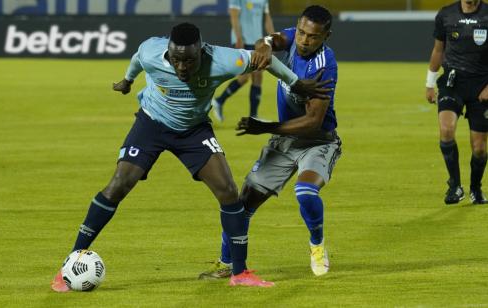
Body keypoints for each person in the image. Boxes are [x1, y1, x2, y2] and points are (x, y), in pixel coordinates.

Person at [50, 22, 331, 292]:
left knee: (228, 191)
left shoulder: (223, 59)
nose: (182, 67)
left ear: (202, 51)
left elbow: (263, 60)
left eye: (189, 61)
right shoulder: (151, 50)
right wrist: (127, 80)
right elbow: (138, 58)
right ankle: (69, 265)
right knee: (119, 184)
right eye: (176, 60)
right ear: (168, 52)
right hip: (151, 124)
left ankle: (240, 272)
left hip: (194, 131)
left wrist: (295, 83)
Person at [199, 5, 341, 279]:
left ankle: (317, 244)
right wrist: (263, 45)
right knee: (243, 204)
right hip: (284, 142)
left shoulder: (325, 65)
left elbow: (313, 121)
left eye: (312, 36)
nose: (303, 40)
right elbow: (268, 40)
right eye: (301, 32)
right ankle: (227, 262)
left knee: (305, 192)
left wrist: (265, 127)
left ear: (326, 36)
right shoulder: (291, 39)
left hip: (317, 142)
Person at [426, 0, 488, 205]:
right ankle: (455, 186)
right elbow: (438, 49)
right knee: (446, 131)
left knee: (479, 148)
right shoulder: (446, 14)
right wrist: (430, 83)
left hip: (482, 86)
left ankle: (476, 189)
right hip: (453, 82)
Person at [211, 0, 275, 121]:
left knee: (258, 77)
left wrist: (273, 39)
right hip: (243, 41)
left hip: (258, 42)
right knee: (244, 77)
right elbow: (234, 16)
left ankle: (253, 116)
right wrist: (239, 38)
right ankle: (220, 101)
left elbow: (267, 19)